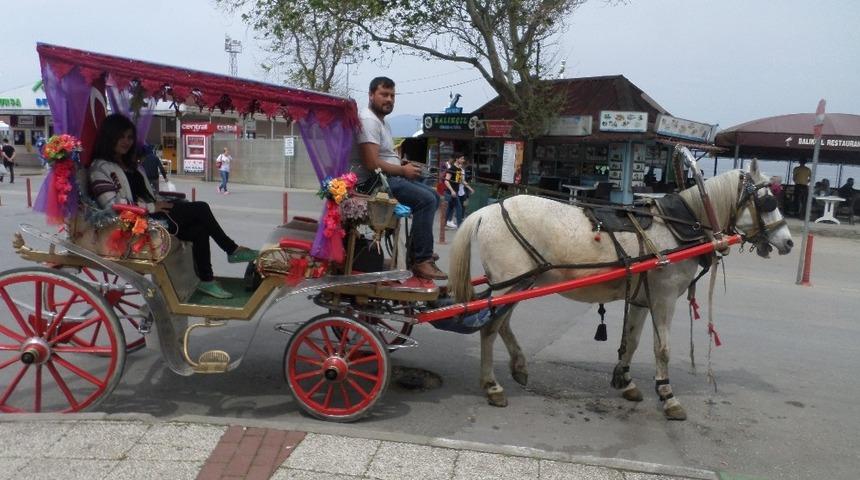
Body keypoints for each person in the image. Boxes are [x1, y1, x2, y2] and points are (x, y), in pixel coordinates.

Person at [88, 114, 258, 299]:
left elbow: (147, 193)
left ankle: (206, 280)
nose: (126, 142)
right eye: (121, 137)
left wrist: (161, 202)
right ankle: (231, 249)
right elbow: (113, 206)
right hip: (137, 221)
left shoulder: (131, 165)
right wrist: (153, 207)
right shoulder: (100, 168)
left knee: (199, 229)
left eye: (129, 137)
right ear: (109, 137)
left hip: (153, 212)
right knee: (201, 208)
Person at [353, 77, 446, 280]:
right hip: (372, 184)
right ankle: (421, 260)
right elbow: (370, 163)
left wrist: (403, 166)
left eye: (392, 96)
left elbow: (384, 156)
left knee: (434, 196)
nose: (389, 99)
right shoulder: (368, 120)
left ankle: (418, 251)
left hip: (384, 178)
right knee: (427, 200)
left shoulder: (381, 122)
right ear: (371, 95)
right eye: (384, 95)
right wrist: (402, 171)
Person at [445, 154, 474, 229]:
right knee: (459, 208)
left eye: (463, 159)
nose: (463, 160)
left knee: (450, 208)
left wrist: (470, 188)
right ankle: (460, 226)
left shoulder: (459, 169)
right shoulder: (452, 169)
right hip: (451, 192)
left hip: (455, 192)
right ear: (457, 159)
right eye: (461, 159)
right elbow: (446, 181)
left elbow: (462, 181)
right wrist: (452, 191)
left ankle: (443, 223)